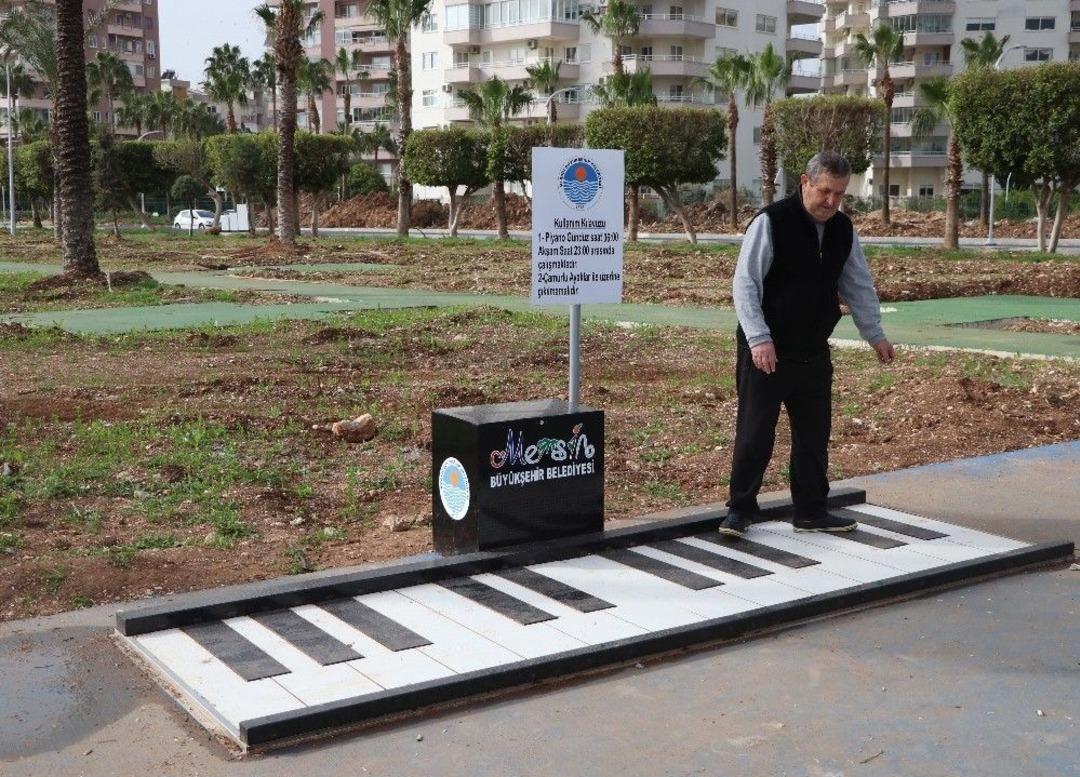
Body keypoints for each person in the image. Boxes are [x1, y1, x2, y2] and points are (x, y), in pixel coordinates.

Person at [719, 151, 895, 538]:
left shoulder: (842, 229)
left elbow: (857, 284)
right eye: (825, 191)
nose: (831, 202)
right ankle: (740, 509)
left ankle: (811, 511)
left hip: (813, 348)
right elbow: (746, 283)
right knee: (755, 432)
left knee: (814, 435)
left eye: (840, 194)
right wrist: (758, 338)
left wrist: (875, 333)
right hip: (768, 349)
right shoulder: (772, 222)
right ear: (805, 182)